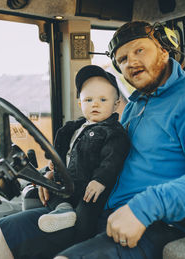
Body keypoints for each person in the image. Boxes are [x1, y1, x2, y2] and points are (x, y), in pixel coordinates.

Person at [0, 21, 185, 259]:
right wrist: (58, 173)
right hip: (102, 210)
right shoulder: (134, 107)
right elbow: (109, 157)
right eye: (122, 59)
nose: (131, 62)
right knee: (11, 231)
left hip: (159, 223)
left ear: (164, 51)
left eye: (140, 50)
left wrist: (144, 208)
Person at [37, 65, 130, 238]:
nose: (95, 104)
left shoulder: (113, 132)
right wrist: (54, 165)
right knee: (48, 194)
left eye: (103, 100)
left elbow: (113, 159)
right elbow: (65, 150)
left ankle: (80, 241)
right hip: (67, 183)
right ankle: (62, 210)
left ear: (116, 104)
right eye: (88, 100)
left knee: (87, 212)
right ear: (80, 103)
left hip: (90, 188)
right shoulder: (74, 128)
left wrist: (100, 180)